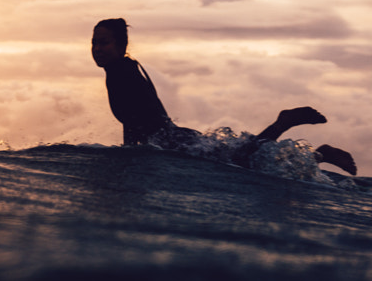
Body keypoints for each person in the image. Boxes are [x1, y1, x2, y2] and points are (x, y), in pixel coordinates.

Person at [91, 18, 357, 175]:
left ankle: (285, 124)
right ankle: (318, 155)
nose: (97, 48)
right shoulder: (122, 70)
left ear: (121, 44)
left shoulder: (123, 73)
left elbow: (135, 121)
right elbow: (132, 121)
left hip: (175, 143)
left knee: (248, 161)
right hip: (176, 141)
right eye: (94, 42)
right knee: (254, 162)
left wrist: (131, 155)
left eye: (104, 42)